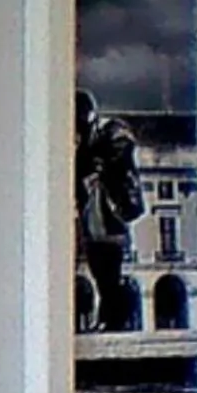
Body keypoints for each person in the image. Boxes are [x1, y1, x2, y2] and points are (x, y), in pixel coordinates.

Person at [76, 90, 146, 332]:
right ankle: (108, 316)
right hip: (92, 212)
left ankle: (114, 318)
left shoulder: (111, 129)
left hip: (111, 208)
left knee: (109, 266)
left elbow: (123, 147)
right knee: (99, 266)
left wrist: (96, 161)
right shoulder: (85, 138)